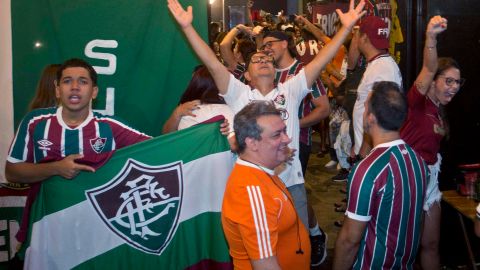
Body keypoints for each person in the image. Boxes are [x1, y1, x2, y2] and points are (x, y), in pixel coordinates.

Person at [167, 0, 365, 265]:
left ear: (276, 72)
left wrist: (346, 28)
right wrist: (188, 28)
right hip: (255, 184)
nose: (263, 60)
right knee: (260, 249)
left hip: (290, 182)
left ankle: (313, 242)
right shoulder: (239, 94)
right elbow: (212, 64)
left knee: (297, 245)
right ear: (246, 75)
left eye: (268, 59)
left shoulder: (290, 91)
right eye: (256, 59)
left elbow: (322, 59)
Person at [333, 81, 428, 269]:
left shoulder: (368, 170)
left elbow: (349, 241)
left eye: (365, 108)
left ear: (371, 118)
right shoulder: (419, 161)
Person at [261, 29, 330, 266]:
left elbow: (323, 108)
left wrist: (292, 124)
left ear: (285, 43)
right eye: (263, 45)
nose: (266, 48)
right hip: (267, 148)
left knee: (293, 193)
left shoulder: (301, 73)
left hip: (297, 143)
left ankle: (313, 232)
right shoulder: (264, 72)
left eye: (270, 43)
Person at [221, 101, 310, 269]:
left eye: (284, 131)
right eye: (277, 135)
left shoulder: (263, 172)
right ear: (252, 143)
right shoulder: (251, 191)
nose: (287, 138)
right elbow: (265, 265)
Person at [399, 16, 458, 270]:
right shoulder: (416, 101)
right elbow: (428, 67)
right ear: (433, 82)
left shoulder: (439, 112)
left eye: (458, 82)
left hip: (430, 179)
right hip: (408, 178)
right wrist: (431, 37)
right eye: (448, 81)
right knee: (403, 247)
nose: (454, 87)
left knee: (431, 244)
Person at [351, 16, 402, 159]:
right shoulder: (380, 64)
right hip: (371, 151)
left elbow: (380, 116)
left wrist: (362, 152)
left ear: (364, 38)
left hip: (374, 155)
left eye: (357, 35)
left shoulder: (382, 68)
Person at [162, 65, 234, 133]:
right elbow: (166, 134)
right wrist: (177, 113)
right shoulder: (187, 107)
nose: (191, 84)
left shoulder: (232, 105)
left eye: (194, 81)